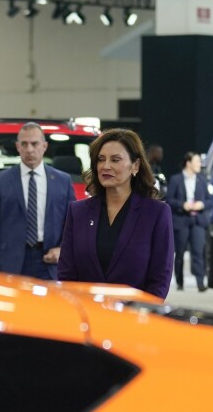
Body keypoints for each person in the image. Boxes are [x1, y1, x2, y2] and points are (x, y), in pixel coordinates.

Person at [58, 128, 174, 300]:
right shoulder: (78, 212)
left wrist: (145, 314)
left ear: (135, 166)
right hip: (86, 317)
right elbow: (66, 275)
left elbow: (160, 278)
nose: (106, 166)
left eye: (115, 160)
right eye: (101, 159)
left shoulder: (156, 213)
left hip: (135, 319)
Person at [0, 121, 75, 279]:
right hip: (9, 263)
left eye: (34, 144)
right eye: (24, 144)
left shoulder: (63, 181)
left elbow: (72, 224)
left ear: (44, 146)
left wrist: (63, 250)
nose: (29, 149)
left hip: (50, 262)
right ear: (18, 147)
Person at [166, 151, 213, 292]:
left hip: (198, 220)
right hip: (181, 220)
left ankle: (200, 282)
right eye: (197, 161)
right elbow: (169, 200)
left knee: (198, 252)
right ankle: (180, 282)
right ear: (188, 163)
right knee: (179, 253)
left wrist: (202, 205)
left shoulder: (202, 180)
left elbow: (211, 200)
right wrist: (182, 205)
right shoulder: (176, 180)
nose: (200, 164)